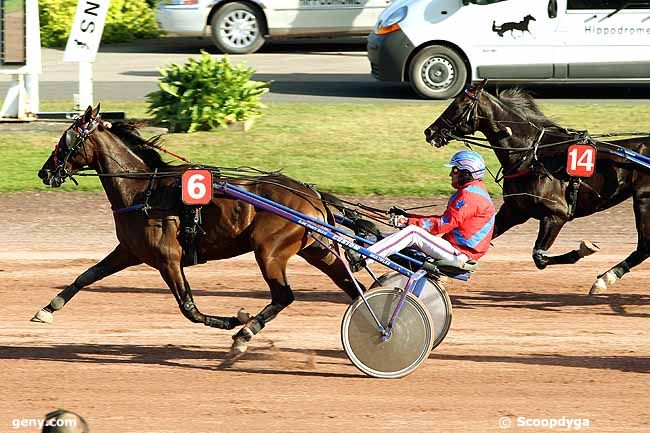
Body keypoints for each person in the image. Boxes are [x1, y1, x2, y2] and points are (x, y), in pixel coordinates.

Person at [357, 150, 495, 270]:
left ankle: (363, 258)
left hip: (461, 254)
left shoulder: (470, 196)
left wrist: (407, 222)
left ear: (466, 173)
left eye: (454, 170)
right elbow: (442, 221)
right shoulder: (472, 191)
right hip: (455, 249)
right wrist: (408, 216)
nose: (450, 174)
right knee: (398, 237)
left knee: (412, 233)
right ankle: (363, 245)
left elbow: (442, 225)